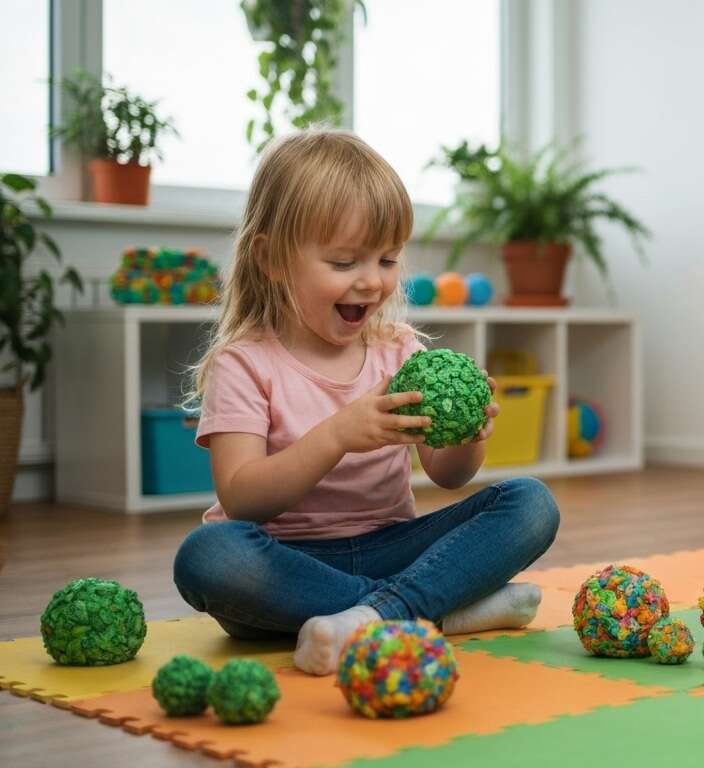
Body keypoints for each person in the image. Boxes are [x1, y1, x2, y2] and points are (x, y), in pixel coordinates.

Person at [173, 130, 559, 676]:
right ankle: (435, 611)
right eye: (344, 261)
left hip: (393, 544)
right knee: (208, 556)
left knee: (531, 502)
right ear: (272, 258)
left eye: (386, 259)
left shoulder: (398, 350)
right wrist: (337, 435)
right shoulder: (245, 363)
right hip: (289, 564)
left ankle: (373, 614)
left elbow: (446, 476)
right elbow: (242, 499)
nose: (371, 281)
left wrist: (469, 438)